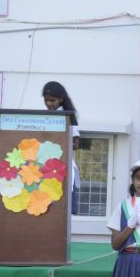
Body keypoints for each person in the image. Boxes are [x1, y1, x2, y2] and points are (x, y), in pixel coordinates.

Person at [42, 81, 81, 215]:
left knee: (61, 209)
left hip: (62, 167)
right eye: (46, 100)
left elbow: (76, 144)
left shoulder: (68, 117)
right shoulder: (43, 117)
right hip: (46, 167)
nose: (49, 104)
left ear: (61, 99)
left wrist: (57, 143)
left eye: (52, 100)